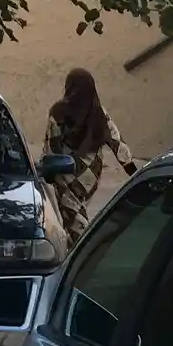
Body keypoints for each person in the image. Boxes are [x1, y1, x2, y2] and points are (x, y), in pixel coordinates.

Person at [42, 68, 138, 244]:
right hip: (92, 172)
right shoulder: (98, 111)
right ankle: (75, 251)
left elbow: (52, 144)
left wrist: (47, 169)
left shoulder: (58, 111)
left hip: (67, 171)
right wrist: (131, 168)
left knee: (73, 216)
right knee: (79, 210)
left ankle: (83, 252)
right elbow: (116, 141)